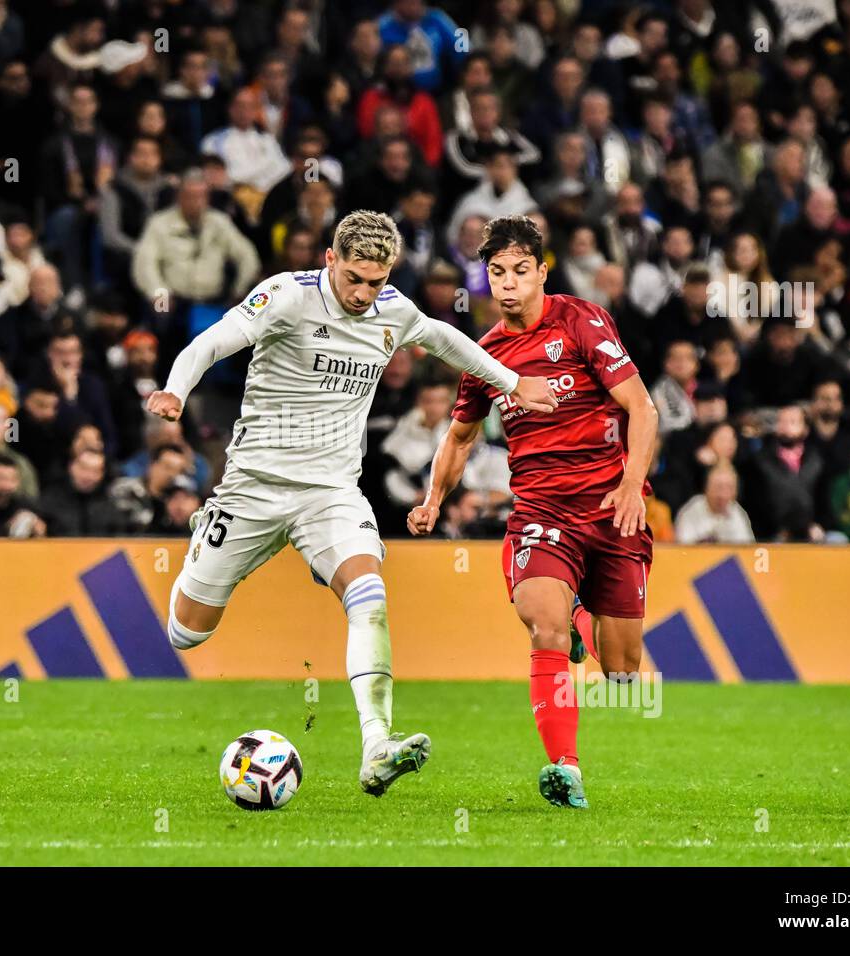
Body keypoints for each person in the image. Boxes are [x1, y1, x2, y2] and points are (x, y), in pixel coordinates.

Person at [146, 209, 558, 796]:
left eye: (377, 281)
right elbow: (210, 343)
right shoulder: (286, 297)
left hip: (331, 493)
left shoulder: (392, 309)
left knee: (369, 595)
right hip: (254, 488)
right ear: (330, 261)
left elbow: (447, 340)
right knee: (187, 633)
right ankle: (205, 538)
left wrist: (514, 383)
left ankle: (376, 746)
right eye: (354, 279)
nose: (365, 294)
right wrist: (174, 390)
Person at [408, 215, 658, 811]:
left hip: (610, 510)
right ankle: (565, 768)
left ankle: (579, 619)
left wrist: (631, 486)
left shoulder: (582, 321)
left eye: (521, 270)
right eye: (497, 272)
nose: (509, 283)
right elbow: (462, 436)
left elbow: (643, 409)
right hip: (542, 512)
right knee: (542, 622)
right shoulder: (486, 355)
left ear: (543, 271)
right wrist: (433, 498)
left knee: (622, 674)